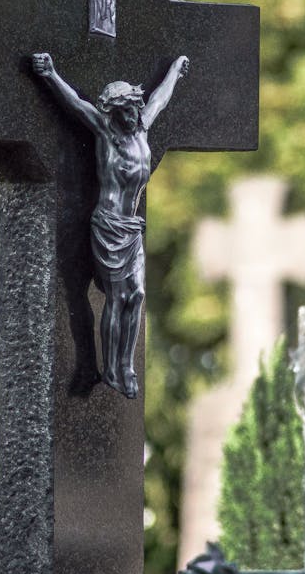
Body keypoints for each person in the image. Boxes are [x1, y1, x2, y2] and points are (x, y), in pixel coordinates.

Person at [32, 52, 189, 398]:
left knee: (138, 295)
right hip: (108, 226)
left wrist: (175, 71)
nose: (134, 114)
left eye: (135, 108)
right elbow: (75, 104)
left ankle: (125, 365)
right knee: (118, 298)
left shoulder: (142, 127)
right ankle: (111, 369)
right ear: (115, 113)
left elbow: (160, 98)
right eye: (127, 111)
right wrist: (51, 74)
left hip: (132, 227)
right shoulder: (105, 131)